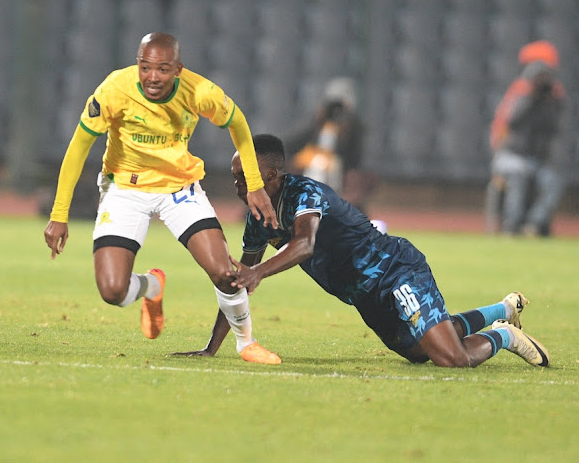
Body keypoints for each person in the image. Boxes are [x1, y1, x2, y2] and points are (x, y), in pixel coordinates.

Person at [173, 134, 549, 368]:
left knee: (451, 358)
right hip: (364, 297)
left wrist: (259, 272)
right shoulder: (258, 220)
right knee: (421, 352)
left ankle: (505, 336)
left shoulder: (306, 193)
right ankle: (503, 309)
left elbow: (305, 244)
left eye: (244, 178)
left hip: (396, 271)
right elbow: (236, 284)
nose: (238, 185)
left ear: (270, 176)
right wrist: (212, 347)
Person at [43, 32, 281, 364]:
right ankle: (151, 288)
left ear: (178, 69)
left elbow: (238, 123)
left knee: (225, 272)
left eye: (163, 69)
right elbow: (78, 147)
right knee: (113, 291)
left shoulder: (199, 91)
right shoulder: (114, 90)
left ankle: (246, 343)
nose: (153, 77)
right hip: (124, 190)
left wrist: (254, 184)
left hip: (179, 189)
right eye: (145, 67)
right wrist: (59, 214)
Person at [485, 40, 567, 236]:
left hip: (537, 160)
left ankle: (534, 225)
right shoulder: (520, 91)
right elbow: (511, 122)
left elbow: (554, 128)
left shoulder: (555, 96)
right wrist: (530, 97)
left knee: (552, 182)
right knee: (518, 177)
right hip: (511, 155)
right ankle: (511, 226)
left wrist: (550, 101)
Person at [285, 77, 375, 215]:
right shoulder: (315, 125)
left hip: (336, 178)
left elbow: (354, 162)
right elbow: (289, 145)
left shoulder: (354, 128)